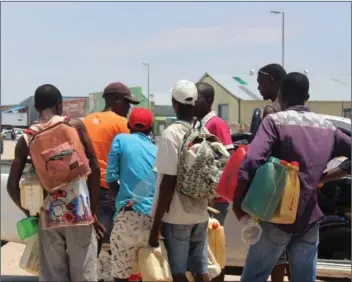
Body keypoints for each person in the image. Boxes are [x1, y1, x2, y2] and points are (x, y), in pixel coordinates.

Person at [233, 72, 351, 282]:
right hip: (309, 218)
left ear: (281, 94)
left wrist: (239, 202)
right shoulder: (328, 128)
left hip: (276, 215)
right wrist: (325, 177)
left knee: (253, 277)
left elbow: (251, 161)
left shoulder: (274, 123)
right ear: (307, 95)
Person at [7, 84, 105, 281]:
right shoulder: (74, 126)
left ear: (36, 107)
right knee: (84, 274)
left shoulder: (27, 137)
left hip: (48, 215)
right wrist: (91, 211)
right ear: (60, 105)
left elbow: (11, 186)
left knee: (54, 276)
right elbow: (94, 169)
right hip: (80, 213)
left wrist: (32, 213)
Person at [149, 80, 210, 282]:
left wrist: (156, 225)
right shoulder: (203, 132)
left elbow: (168, 182)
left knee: (178, 273)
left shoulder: (171, 134)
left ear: (175, 104)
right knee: (201, 271)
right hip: (200, 213)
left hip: (176, 216)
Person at [83, 82, 139, 280]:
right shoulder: (121, 124)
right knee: (113, 244)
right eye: (127, 103)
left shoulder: (86, 121)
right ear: (115, 99)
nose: (129, 108)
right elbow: (130, 159)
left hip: (86, 191)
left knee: (91, 244)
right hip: (108, 191)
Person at [106, 108, 157, 282]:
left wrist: (122, 202)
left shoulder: (121, 139)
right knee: (147, 273)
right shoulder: (156, 150)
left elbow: (111, 177)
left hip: (127, 216)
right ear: (151, 129)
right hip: (152, 219)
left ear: (128, 125)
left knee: (121, 274)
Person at [257, 63, 290, 282]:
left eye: (260, 82)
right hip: (293, 186)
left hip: (274, 185)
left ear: (272, 79)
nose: (258, 88)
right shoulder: (294, 109)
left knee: (272, 249)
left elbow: (262, 152)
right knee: (289, 250)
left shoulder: (271, 112)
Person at [195, 82, 234, 223]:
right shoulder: (200, 124)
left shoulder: (216, 123)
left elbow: (229, 156)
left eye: (197, 98)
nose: (193, 102)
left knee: (216, 238)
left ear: (208, 100)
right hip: (205, 196)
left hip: (218, 198)